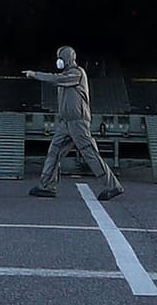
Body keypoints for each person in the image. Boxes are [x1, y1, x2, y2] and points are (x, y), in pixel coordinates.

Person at [24, 45, 123, 200]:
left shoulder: (76, 74)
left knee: (89, 153)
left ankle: (112, 186)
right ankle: (47, 185)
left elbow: (56, 79)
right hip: (66, 123)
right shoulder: (67, 76)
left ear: (68, 59)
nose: (59, 61)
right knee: (54, 152)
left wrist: (35, 74)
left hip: (78, 122)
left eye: (61, 58)